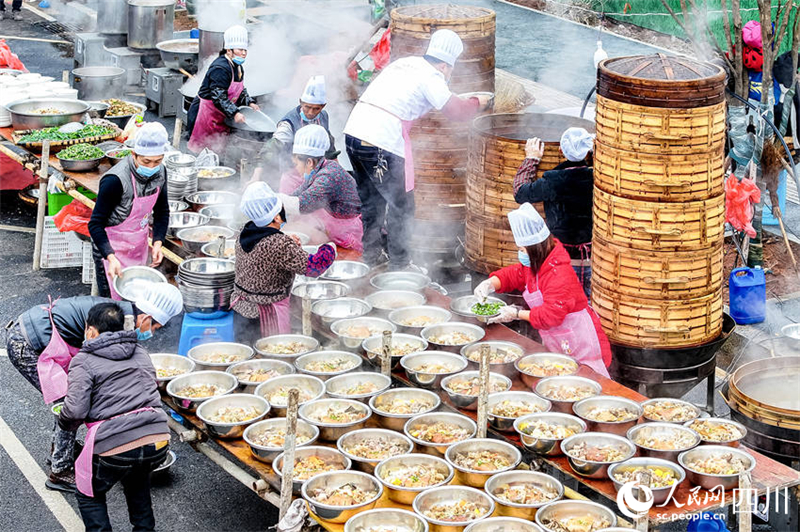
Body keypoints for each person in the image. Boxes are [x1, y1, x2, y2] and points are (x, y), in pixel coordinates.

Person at [5, 284, 183, 492]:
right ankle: (60, 471)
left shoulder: (123, 314)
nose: (152, 333)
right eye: (155, 327)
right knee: (70, 406)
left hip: (37, 332)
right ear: (144, 318)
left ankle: (63, 452)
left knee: (75, 401)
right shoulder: (115, 324)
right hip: (27, 344)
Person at [344, 29, 491, 269]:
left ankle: (370, 258)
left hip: (354, 133)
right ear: (445, 65)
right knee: (402, 205)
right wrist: (478, 103)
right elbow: (457, 112)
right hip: (380, 141)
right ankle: (400, 266)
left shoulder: (405, 64)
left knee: (372, 201)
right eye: (451, 69)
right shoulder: (432, 76)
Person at [59, 302, 171, 532]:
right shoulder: (139, 351)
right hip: (157, 439)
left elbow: (75, 411)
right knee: (137, 482)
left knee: (89, 492)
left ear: (90, 331)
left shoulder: (83, 360)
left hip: (114, 443)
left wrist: (64, 422)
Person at [473, 203, 611, 377]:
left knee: (588, 383)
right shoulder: (538, 263)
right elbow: (515, 274)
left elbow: (550, 315)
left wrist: (516, 313)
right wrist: (491, 283)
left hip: (582, 343)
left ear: (535, 248)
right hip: (560, 341)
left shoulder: (558, 272)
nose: (520, 253)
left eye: (522, 249)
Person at [232, 182, 337, 344]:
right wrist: (329, 248)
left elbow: (264, 248)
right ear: (276, 216)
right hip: (265, 317)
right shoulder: (279, 244)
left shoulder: (243, 232)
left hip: (241, 312)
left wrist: (285, 238)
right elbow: (314, 267)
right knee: (270, 359)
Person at [88, 122, 170, 299]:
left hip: (138, 246)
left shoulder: (161, 172)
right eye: (146, 161)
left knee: (139, 300)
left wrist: (157, 243)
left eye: (157, 161)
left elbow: (162, 210)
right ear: (134, 154)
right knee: (113, 307)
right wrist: (110, 257)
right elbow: (95, 224)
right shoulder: (115, 180)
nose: (151, 167)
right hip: (111, 250)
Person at [514, 128, 595, 296]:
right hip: (595, 263)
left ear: (560, 150)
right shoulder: (599, 177)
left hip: (563, 263)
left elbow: (520, 193)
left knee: (562, 306)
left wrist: (532, 159)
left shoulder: (554, 181)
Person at [276, 125, 362, 251]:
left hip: (351, 235)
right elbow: (296, 195)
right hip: (337, 230)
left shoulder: (328, 175)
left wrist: (270, 199)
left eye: (297, 164)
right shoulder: (320, 168)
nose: (296, 168)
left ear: (309, 162)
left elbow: (302, 204)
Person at [187, 25, 260, 155]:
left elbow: (240, 90)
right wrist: (235, 113)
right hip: (205, 116)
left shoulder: (237, 67)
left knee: (216, 152)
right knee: (202, 154)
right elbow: (219, 97)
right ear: (229, 50)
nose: (243, 53)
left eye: (245, 50)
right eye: (240, 49)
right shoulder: (220, 68)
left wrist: (249, 102)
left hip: (219, 114)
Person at [252, 75, 338, 184]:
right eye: (307, 107)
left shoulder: (323, 117)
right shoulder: (289, 123)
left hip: (317, 171)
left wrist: (337, 170)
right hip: (293, 173)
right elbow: (271, 148)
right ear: (301, 102)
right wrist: (256, 176)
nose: (311, 112)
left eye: (316, 108)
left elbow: (329, 146)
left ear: (323, 106)